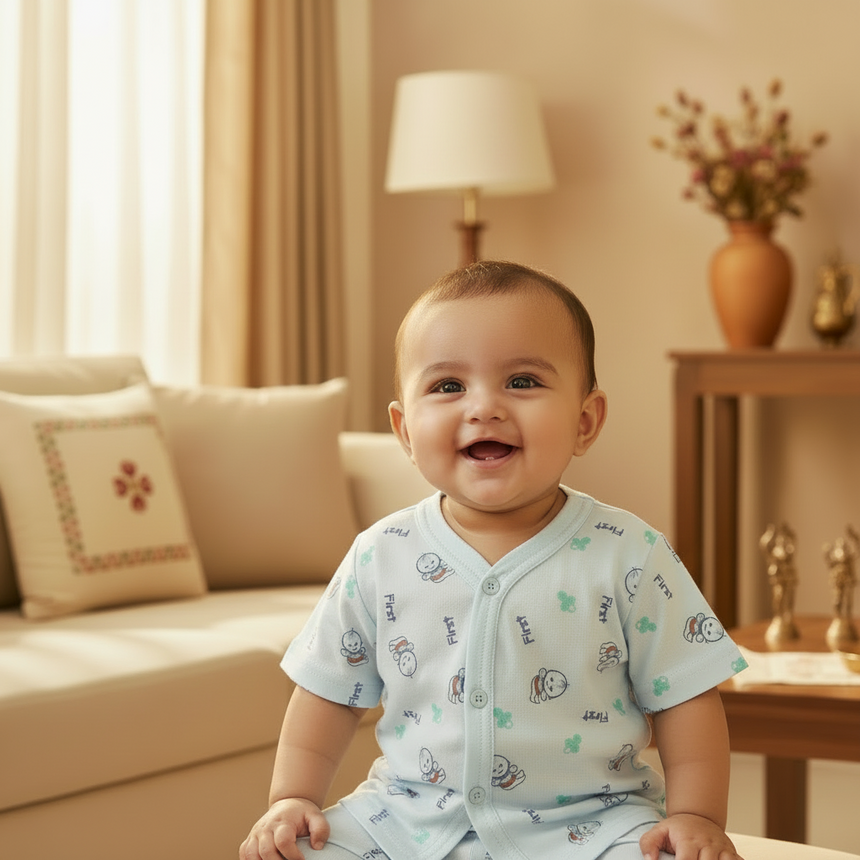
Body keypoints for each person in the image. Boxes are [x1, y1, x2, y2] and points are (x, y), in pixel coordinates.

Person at [241, 261, 748, 860]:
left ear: (584, 421)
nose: (483, 408)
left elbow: (685, 697)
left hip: (592, 824)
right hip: (407, 818)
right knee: (294, 854)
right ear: (404, 431)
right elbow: (327, 691)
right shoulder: (381, 553)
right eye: (448, 386)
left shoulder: (631, 554)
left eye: (523, 382)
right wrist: (291, 797)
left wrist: (694, 816)